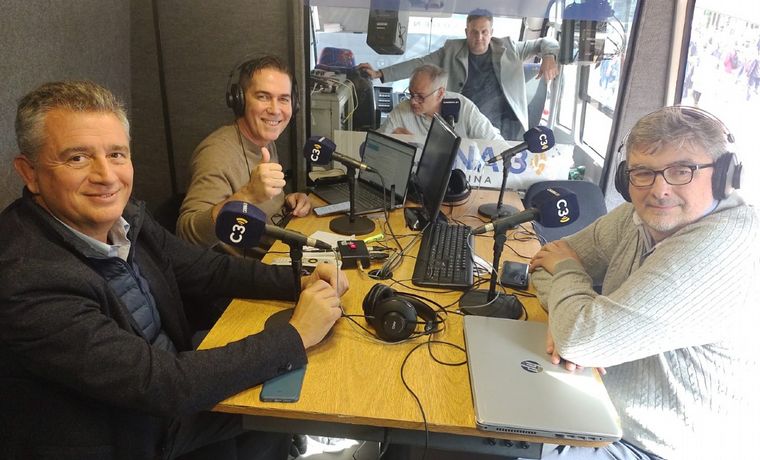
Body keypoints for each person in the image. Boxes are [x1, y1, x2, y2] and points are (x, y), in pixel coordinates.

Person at [0, 80, 349, 459]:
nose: (106, 176)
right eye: (77, 158)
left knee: (294, 389)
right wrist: (297, 334)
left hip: (166, 386)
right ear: (29, 173)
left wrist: (299, 281)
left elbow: (206, 269)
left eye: (116, 154)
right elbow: (159, 384)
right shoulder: (28, 279)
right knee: (296, 393)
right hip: (131, 432)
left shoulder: (124, 215)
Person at [528, 106, 758, 459]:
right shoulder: (636, 217)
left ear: (724, 176)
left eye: (682, 171)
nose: (659, 190)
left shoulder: (725, 247)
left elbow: (578, 336)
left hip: (650, 448)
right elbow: (546, 263)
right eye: (643, 172)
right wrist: (565, 321)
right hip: (596, 403)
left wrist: (572, 325)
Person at [177, 55, 311, 255]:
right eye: (263, 97)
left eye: (283, 99)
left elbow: (265, 203)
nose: (275, 110)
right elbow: (186, 236)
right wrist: (247, 195)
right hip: (248, 269)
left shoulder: (265, 140)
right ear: (239, 100)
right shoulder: (217, 155)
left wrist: (289, 201)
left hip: (279, 249)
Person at [359, 8, 559, 140]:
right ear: (466, 32)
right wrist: (380, 73)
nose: (479, 37)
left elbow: (547, 42)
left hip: (508, 127)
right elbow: (419, 64)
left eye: (484, 32)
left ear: (491, 32)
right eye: (474, 32)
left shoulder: (510, 48)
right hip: (466, 125)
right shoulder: (451, 50)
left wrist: (549, 56)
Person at [378, 64, 504, 140]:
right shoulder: (402, 110)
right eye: (410, 94)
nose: (413, 102)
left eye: (420, 97)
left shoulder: (464, 108)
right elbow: (373, 143)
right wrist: (390, 141)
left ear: (440, 93)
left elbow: (497, 144)